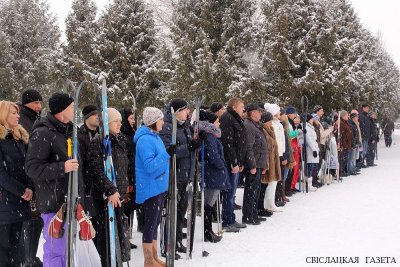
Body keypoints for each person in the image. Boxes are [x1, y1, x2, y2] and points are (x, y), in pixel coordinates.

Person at [25, 92, 99, 266]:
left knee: (69, 250)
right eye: (72, 107)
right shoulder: (43, 133)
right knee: (56, 251)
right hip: (53, 204)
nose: (75, 111)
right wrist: (61, 168)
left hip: (71, 201)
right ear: (61, 110)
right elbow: (32, 168)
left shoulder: (68, 131)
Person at [88, 108, 131, 266]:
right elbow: (96, 170)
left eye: (120, 121)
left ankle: (117, 261)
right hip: (105, 197)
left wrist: (124, 185)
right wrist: (110, 190)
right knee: (106, 235)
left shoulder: (119, 140)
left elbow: (123, 167)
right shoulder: (98, 142)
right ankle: (106, 262)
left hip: (118, 195)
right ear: (107, 123)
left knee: (118, 233)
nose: (119, 124)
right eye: (116, 121)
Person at [159, 98, 200, 253]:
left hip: (186, 174)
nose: (187, 112)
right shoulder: (167, 127)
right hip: (174, 175)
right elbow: (169, 151)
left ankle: (177, 241)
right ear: (176, 112)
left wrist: (196, 146)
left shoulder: (186, 127)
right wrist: (188, 148)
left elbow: (188, 150)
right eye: (184, 110)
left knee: (181, 211)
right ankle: (168, 244)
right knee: (172, 211)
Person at [134, 107, 170, 267]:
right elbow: (149, 166)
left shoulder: (155, 137)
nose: (163, 122)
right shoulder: (144, 140)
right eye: (161, 119)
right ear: (153, 122)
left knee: (155, 223)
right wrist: (166, 154)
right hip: (150, 189)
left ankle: (154, 257)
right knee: (150, 224)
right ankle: (148, 261)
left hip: (158, 186)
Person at [0, 101, 33, 267]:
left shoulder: (20, 137)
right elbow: (1, 174)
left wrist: (30, 188)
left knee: (17, 248)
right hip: (4, 202)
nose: (18, 116)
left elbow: (28, 166)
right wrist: (22, 190)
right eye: (13, 113)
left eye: (17, 112)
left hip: (19, 202)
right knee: (4, 250)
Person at [18, 89, 44, 267]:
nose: (39, 105)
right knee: (30, 223)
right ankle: (26, 259)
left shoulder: (36, 119)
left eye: (40, 102)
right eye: (35, 102)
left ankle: (30, 257)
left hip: (35, 177)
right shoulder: (22, 120)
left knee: (35, 222)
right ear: (26, 103)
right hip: (26, 178)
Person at [219, 98, 247, 232]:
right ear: (234, 107)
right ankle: (226, 221)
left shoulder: (236, 118)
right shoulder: (227, 118)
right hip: (230, 162)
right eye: (242, 106)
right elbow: (228, 142)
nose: (243, 109)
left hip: (236, 161)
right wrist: (233, 162)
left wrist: (240, 162)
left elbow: (240, 141)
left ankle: (231, 218)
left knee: (232, 193)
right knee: (229, 193)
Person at [198, 110, 227, 242]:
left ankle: (208, 230)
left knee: (210, 203)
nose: (219, 123)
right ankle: (207, 231)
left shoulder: (211, 135)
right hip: (212, 174)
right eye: (217, 121)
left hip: (213, 173)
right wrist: (221, 165)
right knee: (208, 204)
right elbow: (212, 155)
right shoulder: (209, 136)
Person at [242, 104, 268, 225]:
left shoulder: (256, 125)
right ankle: (248, 215)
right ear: (252, 113)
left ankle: (254, 213)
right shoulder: (249, 126)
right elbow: (249, 147)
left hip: (259, 164)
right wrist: (252, 165)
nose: (261, 114)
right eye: (259, 112)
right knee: (250, 191)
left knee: (256, 190)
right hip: (254, 164)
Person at [120, 107, 141, 247]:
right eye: (131, 118)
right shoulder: (124, 136)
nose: (133, 121)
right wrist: (129, 177)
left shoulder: (133, 134)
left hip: (133, 175)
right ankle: (123, 238)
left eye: (134, 118)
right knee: (125, 208)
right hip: (127, 176)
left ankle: (126, 237)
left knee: (129, 207)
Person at [260, 111, 283, 212]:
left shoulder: (270, 130)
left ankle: (270, 203)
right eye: (269, 121)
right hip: (268, 161)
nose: (271, 123)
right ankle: (268, 204)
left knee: (273, 183)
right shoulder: (264, 131)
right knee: (269, 184)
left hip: (273, 160)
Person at [264, 103, 287, 206]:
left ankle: (276, 198)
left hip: (280, 153)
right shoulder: (272, 124)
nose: (280, 113)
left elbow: (282, 140)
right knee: (273, 180)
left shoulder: (278, 123)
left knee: (278, 178)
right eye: (278, 111)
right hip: (275, 153)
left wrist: (283, 153)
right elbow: (276, 141)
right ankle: (271, 201)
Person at [304, 114, 319, 192]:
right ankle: (308, 185)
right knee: (310, 167)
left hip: (314, 147)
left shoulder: (310, 127)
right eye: (312, 119)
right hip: (310, 149)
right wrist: (313, 149)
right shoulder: (307, 127)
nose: (313, 120)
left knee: (312, 167)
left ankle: (310, 184)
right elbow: (309, 139)